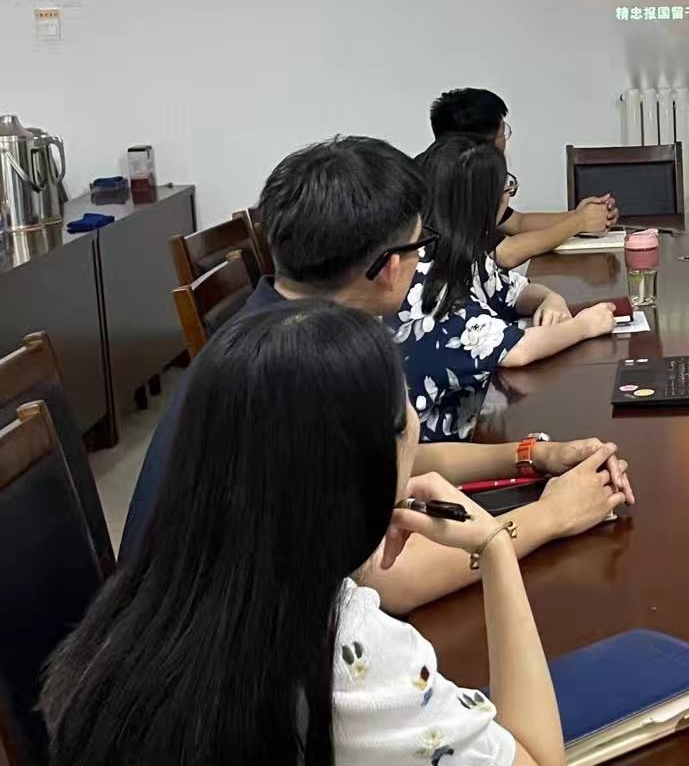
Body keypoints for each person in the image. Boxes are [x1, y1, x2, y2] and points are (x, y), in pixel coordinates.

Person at [45, 302, 577, 765]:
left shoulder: (135, 611)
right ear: (359, 470)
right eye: (404, 411)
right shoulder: (350, 656)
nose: (416, 423)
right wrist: (494, 547)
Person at [122, 136, 635, 614]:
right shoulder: (307, 369)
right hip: (221, 658)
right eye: (419, 245)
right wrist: (551, 516)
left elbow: (388, 460)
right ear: (391, 267)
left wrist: (531, 455)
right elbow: (389, 580)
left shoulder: (275, 322)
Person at [398, 135, 616, 441]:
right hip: (436, 448)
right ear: (484, 205)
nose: (509, 196)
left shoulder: (459, 253)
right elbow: (517, 350)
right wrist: (586, 325)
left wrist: (550, 299)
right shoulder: (428, 278)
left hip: (478, 416)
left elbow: (513, 291)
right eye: (506, 188)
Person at [427, 88, 618, 269]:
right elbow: (505, 252)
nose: (505, 141)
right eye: (503, 133)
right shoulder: (451, 183)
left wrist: (582, 215)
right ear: (484, 143)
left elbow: (518, 222)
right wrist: (578, 222)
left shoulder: (449, 166)